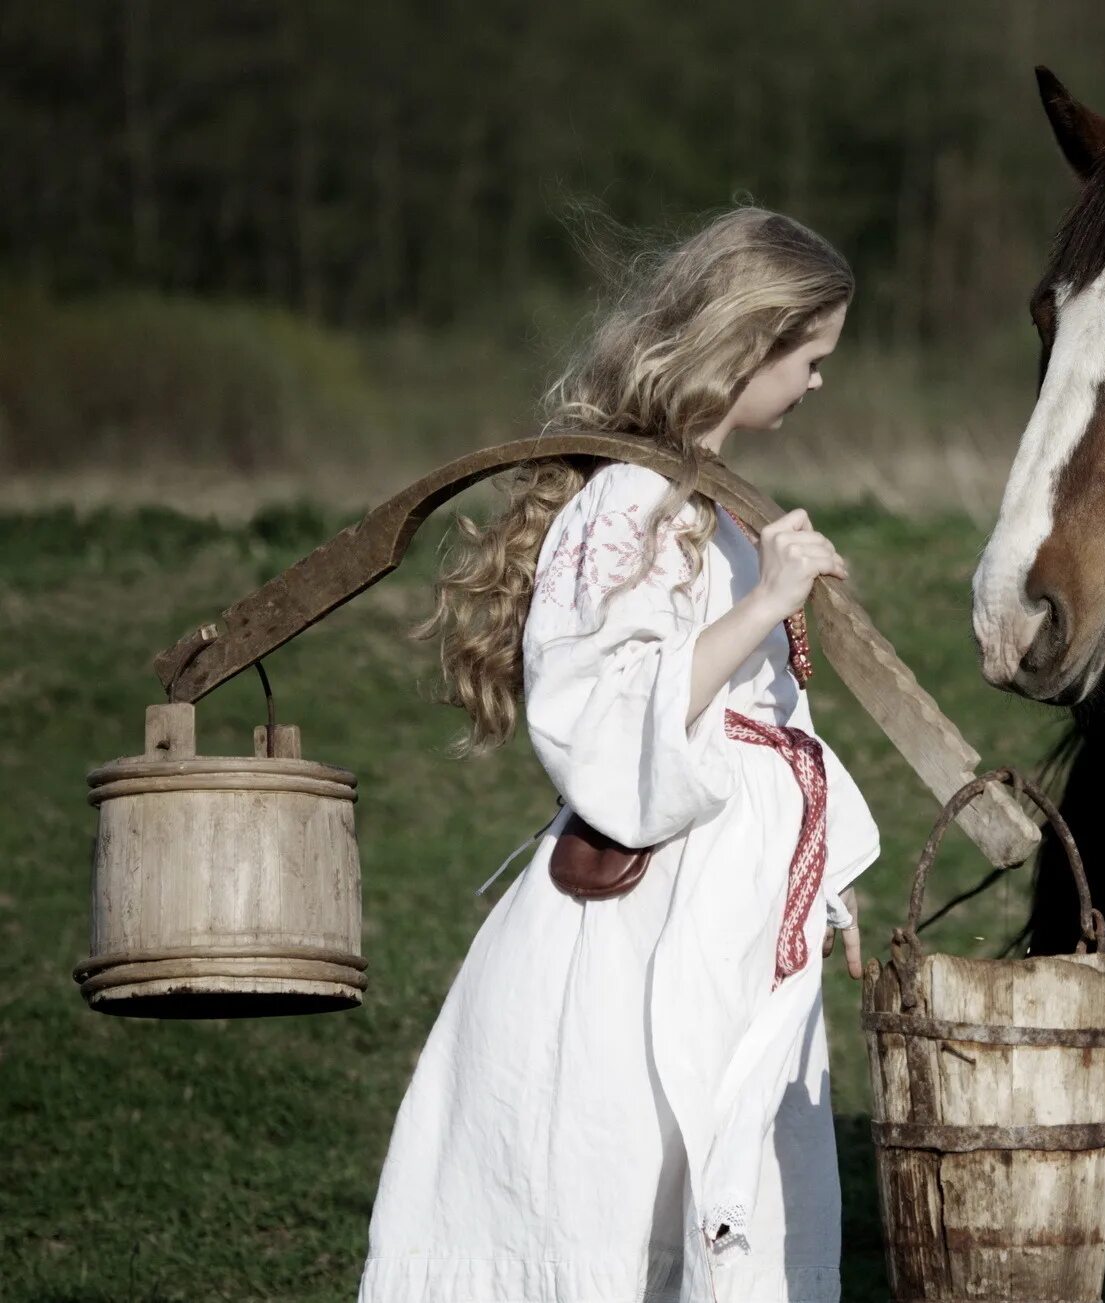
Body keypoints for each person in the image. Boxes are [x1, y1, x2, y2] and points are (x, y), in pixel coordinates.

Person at [359, 206, 879, 1303]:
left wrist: (818, 884)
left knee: (730, 1181)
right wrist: (768, 606)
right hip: (642, 925)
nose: (821, 383)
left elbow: (770, 728)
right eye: (812, 357)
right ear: (748, 346)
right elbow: (597, 709)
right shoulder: (633, 499)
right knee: (616, 1177)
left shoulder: (723, 508)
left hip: (729, 912)